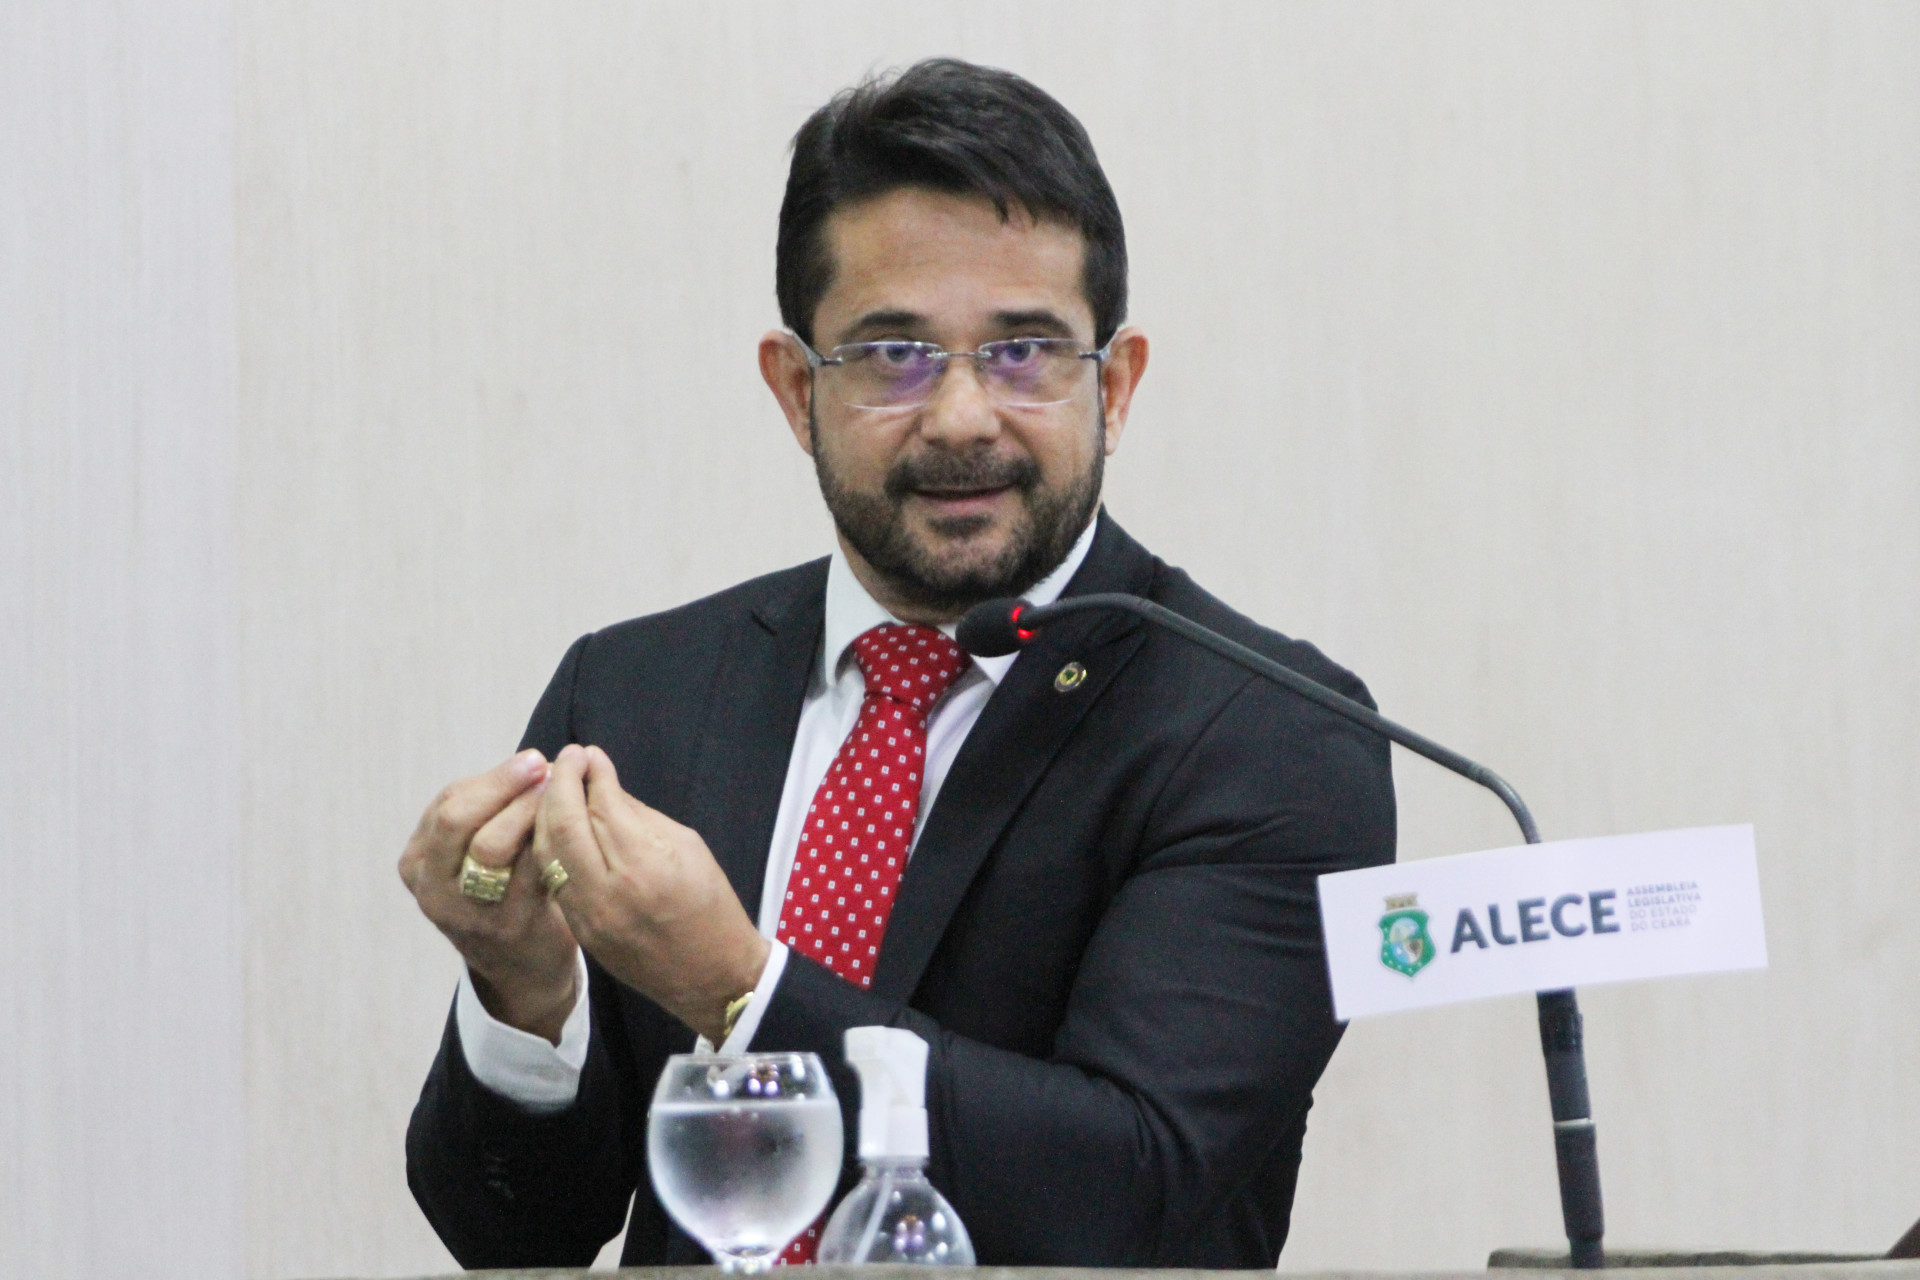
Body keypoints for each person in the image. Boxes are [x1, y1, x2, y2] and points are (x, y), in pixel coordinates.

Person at [399, 57, 1395, 1270]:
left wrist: (739, 986)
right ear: (793, 390)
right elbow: (519, 1226)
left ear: (1116, 387)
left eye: (1026, 350)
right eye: (892, 354)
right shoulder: (636, 693)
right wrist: (522, 997)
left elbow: (1132, 1183)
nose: (965, 414)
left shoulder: (1268, 730)